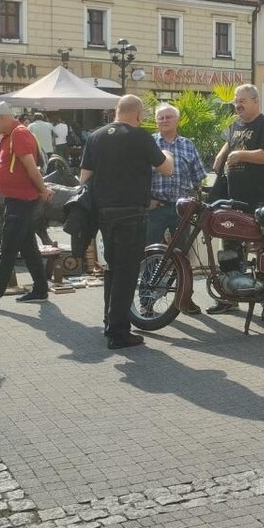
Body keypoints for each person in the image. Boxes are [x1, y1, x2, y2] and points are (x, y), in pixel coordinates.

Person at [81, 95, 174, 350]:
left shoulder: (95, 136)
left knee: (112, 268)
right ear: (139, 114)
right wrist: (167, 154)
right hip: (131, 212)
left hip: (104, 213)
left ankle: (109, 320)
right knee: (127, 272)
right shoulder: (140, 136)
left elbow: (84, 177)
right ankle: (118, 333)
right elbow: (166, 169)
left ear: (116, 111)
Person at [207, 84, 264, 320]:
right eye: (236, 101)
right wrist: (223, 153)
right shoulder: (235, 124)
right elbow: (231, 141)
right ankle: (229, 297)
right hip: (234, 199)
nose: (237, 105)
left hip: (261, 200)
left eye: (242, 101)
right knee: (229, 248)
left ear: (255, 101)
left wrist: (240, 155)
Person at [0, 102, 54, 309]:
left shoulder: (19, 134)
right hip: (16, 199)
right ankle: (40, 290)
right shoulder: (11, 135)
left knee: (8, 248)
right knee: (28, 247)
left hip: (21, 200)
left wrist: (43, 190)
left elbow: (31, 168)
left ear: (1, 117)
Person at [147, 103, 208, 259]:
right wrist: (146, 199)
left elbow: (198, 178)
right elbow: (138, 175)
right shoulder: (149, 144)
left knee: (181, 254)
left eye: (168, 117)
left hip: (181, 210)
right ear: (156, 121)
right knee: (149, 252)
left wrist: (194, 202)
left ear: (177, 120)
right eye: (160, 118)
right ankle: (149, 275)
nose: (164, 120)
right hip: (155, 209)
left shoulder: (188, 145)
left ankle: (180, 275)